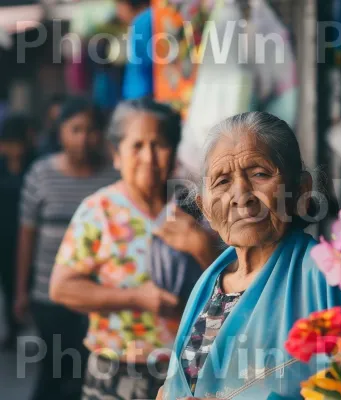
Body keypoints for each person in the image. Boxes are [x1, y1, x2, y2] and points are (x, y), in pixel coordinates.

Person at [158, 112, 341, 400]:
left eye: (259, 174)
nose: (241, 195)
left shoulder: (325, 278)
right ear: (206, 208)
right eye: (222, 181)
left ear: (300, 190)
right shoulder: (210, 283)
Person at [48, 98, 217, 400]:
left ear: (174, 151)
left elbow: (236, 282)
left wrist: (203, 247)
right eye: (136, 146)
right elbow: (61, 288)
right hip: (117, 371)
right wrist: (136, 298)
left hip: (190, 372)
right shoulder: (99, 211)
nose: (149, 157)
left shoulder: (198, 209)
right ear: (116, 155)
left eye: (159, 145)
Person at [13, 97, 119, 400]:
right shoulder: (40, 174)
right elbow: (26, 236)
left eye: (92, 130)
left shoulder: (112, 177)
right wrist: (21, 291)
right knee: (53, 371)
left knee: (85, 373)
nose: (85, 138)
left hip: (98, 296)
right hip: (49, 295)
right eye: (76, 129)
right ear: (61, 132)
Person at [0, 114, 35, 350]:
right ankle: (12, 330)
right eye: (9, 144)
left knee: (23, 282)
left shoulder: (35, 166)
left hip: (28, 235)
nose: (14, 149)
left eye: (18, 144)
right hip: (3, 234)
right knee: (6, 283)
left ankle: (23, 325)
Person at [117, 0, 153, 100]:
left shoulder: (142, 21)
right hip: (140, 91)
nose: (118, 12)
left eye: (119, 6)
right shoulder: (144, 19)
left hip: (143, 92)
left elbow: (147, 59)